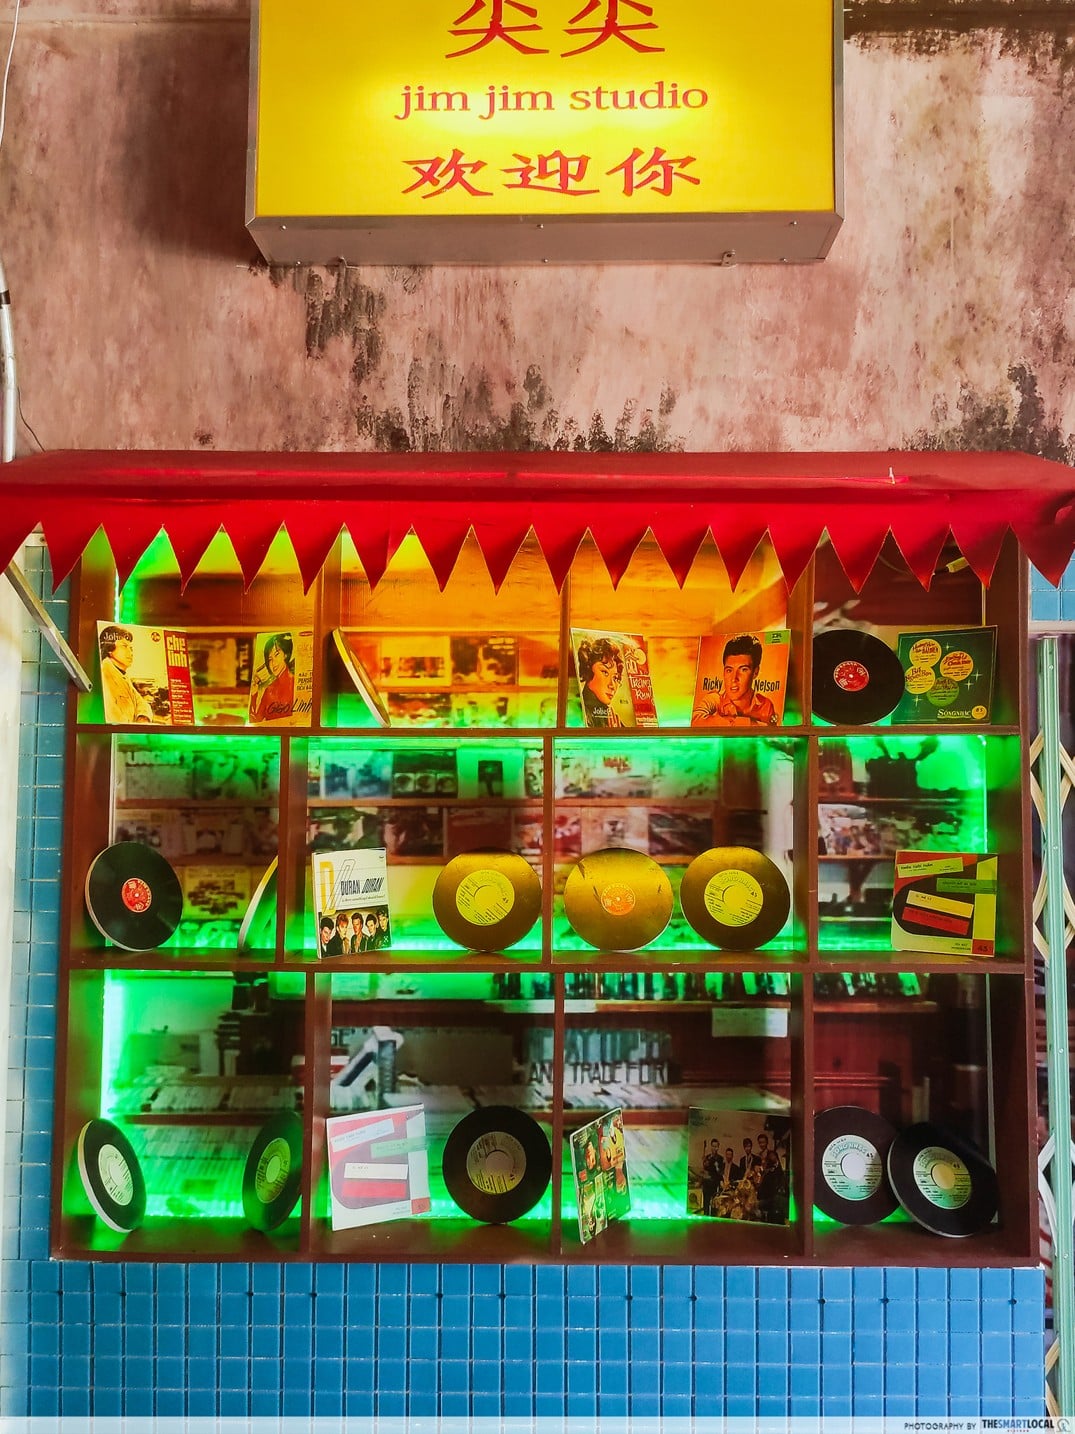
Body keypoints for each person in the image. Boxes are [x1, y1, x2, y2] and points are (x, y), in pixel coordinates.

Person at [694, 634, 777, 727]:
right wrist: (750, 723)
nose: (734, 679)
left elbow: (772, 734)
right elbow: (695, 721)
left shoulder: (765, 705)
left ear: (755, 672)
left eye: (743, 670)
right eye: (729, 670)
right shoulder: (714, 700)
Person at [98, 625, 154, 723]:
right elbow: (115, 720)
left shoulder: (122, 675)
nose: (130, 652)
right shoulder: (103, 676)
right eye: (124, 646)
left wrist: (142, 717)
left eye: (131, 648)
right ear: (109, 649)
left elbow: (141, 702)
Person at [576, 635, 625, 727]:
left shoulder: (609, 716)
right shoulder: (578, 711)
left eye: (615, 678)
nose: (612, 685)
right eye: (605, 672)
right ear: (588, 669)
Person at [249, 632, 295, 723]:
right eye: (270, 659)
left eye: (277, 654)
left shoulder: (295, 683)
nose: (273, 662)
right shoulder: (269, 689)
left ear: (285, 654)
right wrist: (254, 695)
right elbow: (256, 721)